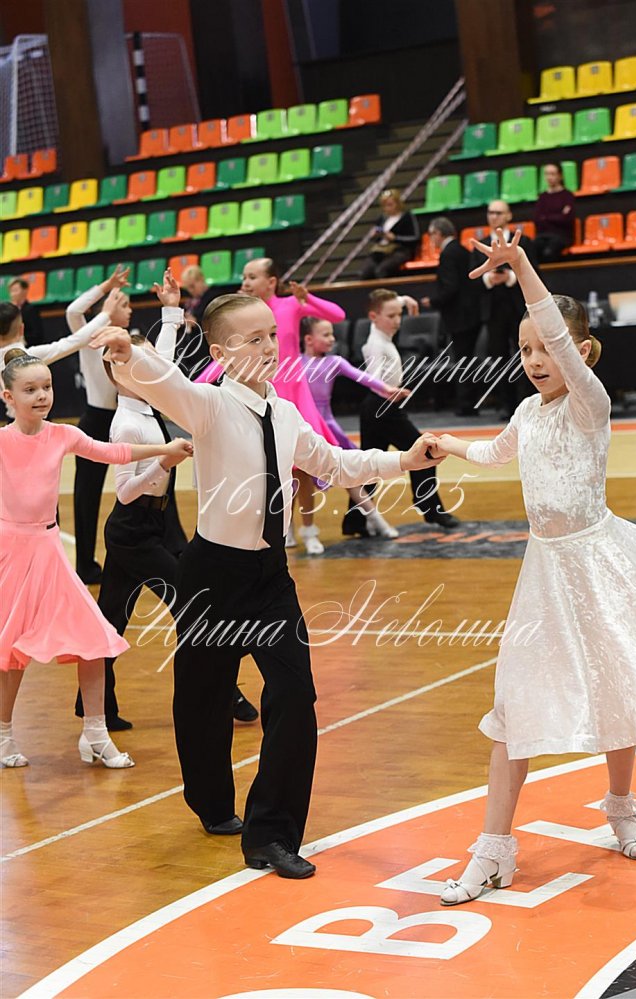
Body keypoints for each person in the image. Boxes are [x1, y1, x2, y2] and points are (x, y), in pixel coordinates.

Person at [92, 293, 443, 878]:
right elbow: (165, 383)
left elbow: (333, 464)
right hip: (211, 576)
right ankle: (211, 803)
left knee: (295, 696)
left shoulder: (285, 414)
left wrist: (402, 461)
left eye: (270, 337)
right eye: (251, 339)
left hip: (270, 577)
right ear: (219, 353)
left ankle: (271, 834)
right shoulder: (208, 404)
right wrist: (129, 353)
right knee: (203, 701)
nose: (267, 348)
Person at [428, 230, 636, 906]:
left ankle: (620, 805)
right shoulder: (529, 411)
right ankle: (492, 851)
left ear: (580, 353)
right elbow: (495, 453)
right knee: (513, 707)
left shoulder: (591, 405)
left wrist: (522, 265)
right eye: (524, 348)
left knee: (618, 687)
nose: (535, 358)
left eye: (547, 347)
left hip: (601, 565)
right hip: (545, 576)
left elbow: (555, 332)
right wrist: (447, 443)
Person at [73, 270, 258, 732]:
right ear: (122, 375)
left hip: (157, 524)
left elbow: (164, 367)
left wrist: (171, 310)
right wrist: (164, 462)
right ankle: (224, 693)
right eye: (141, 365)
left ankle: (94, 705)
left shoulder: (148, 403)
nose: (153, 370)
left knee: (112, 619)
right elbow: (124, 492)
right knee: (191, 604)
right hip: (133, 531)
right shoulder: (126, 424)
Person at [0, 349, 192, 770]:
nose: (41, 396)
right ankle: (3, 735)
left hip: (49, 552)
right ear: (8, 397)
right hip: (10, 554)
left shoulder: (62, 435)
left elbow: (114, 453)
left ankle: (96, 734)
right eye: (30, 390)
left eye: (47, 387)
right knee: (10, 652)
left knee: (93, 639)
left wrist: (165, 448)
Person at [196, 257, 347, 556]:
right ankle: (284, 526)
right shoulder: (243, 317)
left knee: (303, 470)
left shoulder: (291, 305)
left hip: (294, 395)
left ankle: (310, 530)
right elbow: (224, 358)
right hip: (260, 394)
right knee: (272, 468)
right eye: (244, 276)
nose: (246, 282)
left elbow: (338, 315)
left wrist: (308, 298)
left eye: (252, 277)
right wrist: (193, 388)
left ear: (271, 281)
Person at [300, 315, 410, 538]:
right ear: (308, 339)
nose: (332, 339)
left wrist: (386, 389)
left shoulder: (334, 362)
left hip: (326, 425)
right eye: (326, 335)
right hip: (302, 425)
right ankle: (292, 533)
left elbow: (362, 377)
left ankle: (376, 519)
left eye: (332, 334)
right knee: (296, 480)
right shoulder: (293, 362)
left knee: (347, 474)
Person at [360, 289, 459, 530]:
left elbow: (391, 303)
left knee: (370, 468)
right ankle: (430, 508)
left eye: (399, 314)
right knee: (425, 451)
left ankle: (355, 521)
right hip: (383, 407)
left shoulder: (379, 330)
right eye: (391, 316)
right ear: (374, 317)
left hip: (378, 407)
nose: (397, 320)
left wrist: (406, 300)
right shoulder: (375, 345)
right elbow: (371, 378)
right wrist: (389, 390)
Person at [67, 266, 132, 584]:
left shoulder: (131, 342)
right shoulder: (90, 339)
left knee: (142, 490)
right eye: (124, 305)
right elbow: (73, 311)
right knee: (87, 497)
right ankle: (85, 564)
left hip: (125, 422)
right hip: (95, 423)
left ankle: (156, 552)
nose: (130, 310)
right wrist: (106, 287)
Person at [470, 200, 537, 419]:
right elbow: (472, 279)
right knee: (499, 358)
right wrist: (489, 278)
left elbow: (535, 273)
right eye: (490, 212)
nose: (494, 216)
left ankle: (529, 404)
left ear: (508, 216)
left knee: (526, 354)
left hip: (519, 308)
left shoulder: (524, 242)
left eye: (498, 213)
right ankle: (507, 407)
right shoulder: (480, 245)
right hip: (492, 311)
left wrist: (510, 277)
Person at [0, 299, 116, 421]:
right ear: (22, 329)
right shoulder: (29, 356)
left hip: (14, 422)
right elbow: (75, 341)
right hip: (35, 420)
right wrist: (106, 314)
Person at [421, 217, 482, 416]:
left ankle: (466, 404)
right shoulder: (462, 250)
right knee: (467, 359)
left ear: (438, 234)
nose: (431, 239)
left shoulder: (448, 254)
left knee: (463, 361)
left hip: (460, 316)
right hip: (471, 314)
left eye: (432, 234)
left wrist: (433, 301)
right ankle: (469, 402)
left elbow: (450, 286)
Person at [361, 189, 420, 281]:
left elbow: (415, 237)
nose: (387, 208)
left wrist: (395, 238)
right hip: (381, 250)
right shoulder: (382, 218)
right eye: (385, 205)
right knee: (366, 271)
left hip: (400, 250)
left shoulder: (407, 217)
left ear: (398, 204)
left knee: (382, 270)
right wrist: (375, 235)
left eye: (390, 205)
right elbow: (377, 235)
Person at [533, 162, 576, 263]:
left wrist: (546, 217)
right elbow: (537, 219)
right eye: (547, 174)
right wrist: (557, 216)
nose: (549, 177)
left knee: (550, 251)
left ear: (560, 175)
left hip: (562, 236)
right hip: (543, 236)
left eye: (552, 174)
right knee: (532, 247)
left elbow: (566, 219)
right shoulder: (542, 197)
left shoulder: (567, 195)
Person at [8, 278, 44, 347]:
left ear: (25, 291)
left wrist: (19, 339)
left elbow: (37, 335)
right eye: (11, 291)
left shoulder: (31, 310)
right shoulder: (10, 311)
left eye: (15, 290)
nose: (13, 294)